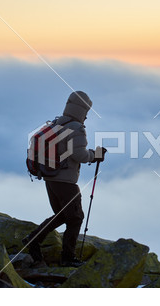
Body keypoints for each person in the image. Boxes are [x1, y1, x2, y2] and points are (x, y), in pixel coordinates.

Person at [23, 91, 105, 267]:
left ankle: (33, 240)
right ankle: (67, 257)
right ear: (83, 110)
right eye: (87, 112)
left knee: (62, 215)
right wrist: (95, 155)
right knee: (75, 218)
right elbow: (80, 155)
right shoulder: (76, 128)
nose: (87, 117)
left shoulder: (57, 123)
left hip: (50, 178)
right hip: (65, 181)